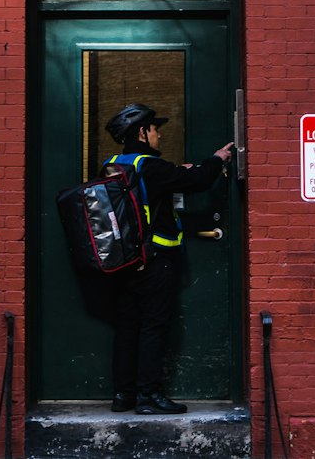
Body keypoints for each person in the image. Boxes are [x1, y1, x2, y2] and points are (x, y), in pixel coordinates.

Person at [102, 102, 233, 416]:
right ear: (142, 133)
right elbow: (199, 181)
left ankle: (124, 395)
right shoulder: (151, 166)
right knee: (153, 327)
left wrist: (179, 173)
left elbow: (154, 190)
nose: (159, 134)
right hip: (156, 260)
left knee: (127, 327)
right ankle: (149, 397)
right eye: (155, 129)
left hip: (124, 262)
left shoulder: (113, 164)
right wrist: (218, 158)